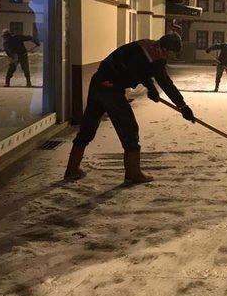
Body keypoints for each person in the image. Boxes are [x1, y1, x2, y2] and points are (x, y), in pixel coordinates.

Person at [64, 33, 195, 185]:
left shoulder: (151, 51)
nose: (171, 57)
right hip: (110, 88)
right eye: (171, 53)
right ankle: (133, 174)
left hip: (99, 83)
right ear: (164, 48)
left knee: (88, 128)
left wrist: (182, 106)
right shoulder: (143, 52)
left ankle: (72, 169)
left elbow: (163, 81)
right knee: (129, 129)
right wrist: (151, 88)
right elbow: (141, 71)